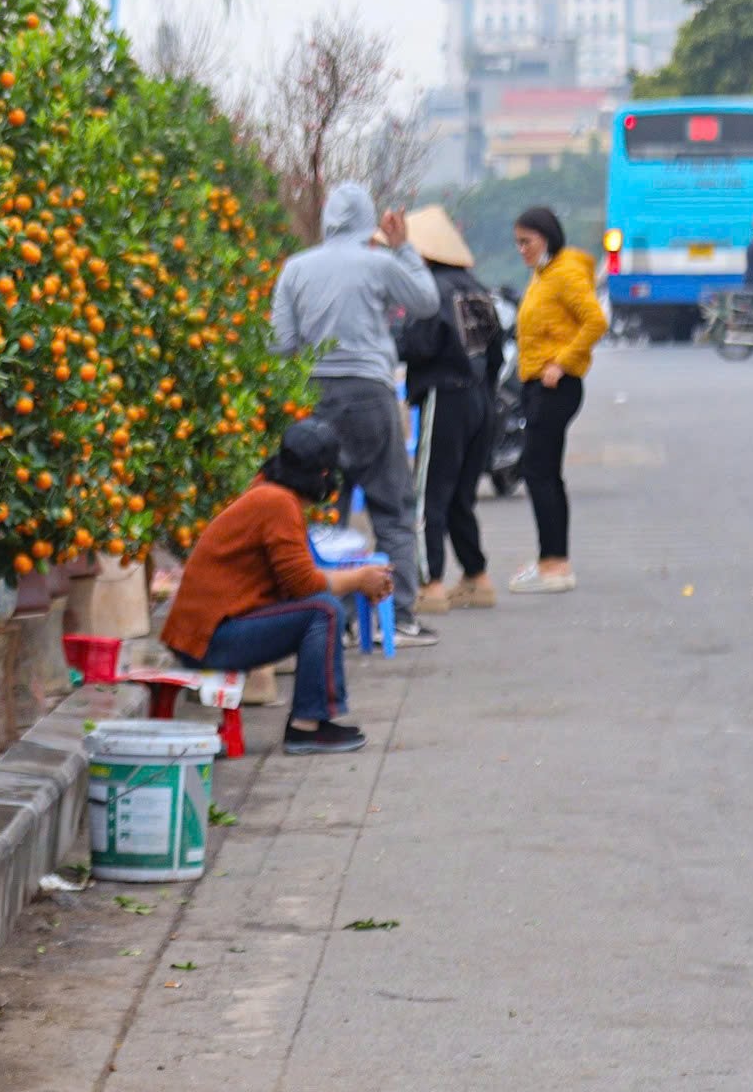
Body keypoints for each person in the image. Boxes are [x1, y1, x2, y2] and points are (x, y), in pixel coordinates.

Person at [270, 181, 440, 647]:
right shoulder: (380, 262)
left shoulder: (295, 269)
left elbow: (281, 343)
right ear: (369, 222)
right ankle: (400, 615)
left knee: (326, 510)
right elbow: (426, 301)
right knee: (392, 507)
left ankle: (336, 619)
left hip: (313, 399)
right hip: (371, 396)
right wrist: (403, 247)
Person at [161, 419, 391, 756]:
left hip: (206, 635)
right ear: (323, 476)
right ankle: (306, 727)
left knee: (321, 607)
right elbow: (304, 584)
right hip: (207, 641)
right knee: (323, 611)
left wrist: (362, 577)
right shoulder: (277, 503)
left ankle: (311, 722)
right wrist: (359, 579)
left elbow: (300, 574)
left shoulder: (269, 492)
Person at [398, 206, 505, 615]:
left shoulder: (431, 291)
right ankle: (476, 577)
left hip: (444, 396)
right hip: (480, 399)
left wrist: (392, 338)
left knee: (427, 496)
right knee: (461, 495)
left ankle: (431, 583)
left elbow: (418, 346)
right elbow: (496, 354)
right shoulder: (476, 287)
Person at [509, 205, 609, 594]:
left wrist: (562, 363)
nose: (521, 249)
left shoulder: (564, 273)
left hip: (554, 385)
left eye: (526, 242)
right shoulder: (543, 274)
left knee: (537, 472)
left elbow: (596, 320)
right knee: (545, 473)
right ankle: (554, 562)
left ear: (546, 238)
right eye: (516, 243)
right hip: (539, 384)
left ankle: (553, 565)